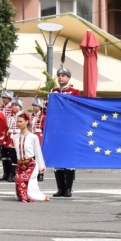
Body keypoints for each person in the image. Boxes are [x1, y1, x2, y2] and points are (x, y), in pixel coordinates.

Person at [51, 69, 81, 197]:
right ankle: (60, 188)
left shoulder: (75, 92)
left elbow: (77, 108)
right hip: (57, 130)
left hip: (70, 129)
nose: (60, 78)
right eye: (58, 75)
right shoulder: (53, 92)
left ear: (69, 78)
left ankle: (68, 188)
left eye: (63, 76)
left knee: (69, 159)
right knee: (58, 159)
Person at [12, 112, 49, 202]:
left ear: (27, 122)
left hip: (30, 165)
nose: (19, 124)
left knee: (21, 180)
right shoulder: (15, 137)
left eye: (21, 121)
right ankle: (24, 195)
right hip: (20, 165)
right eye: (18, 122)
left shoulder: (33, 137)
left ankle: (27, 197)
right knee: (18, 183)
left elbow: (38, 152)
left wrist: (41, 166)